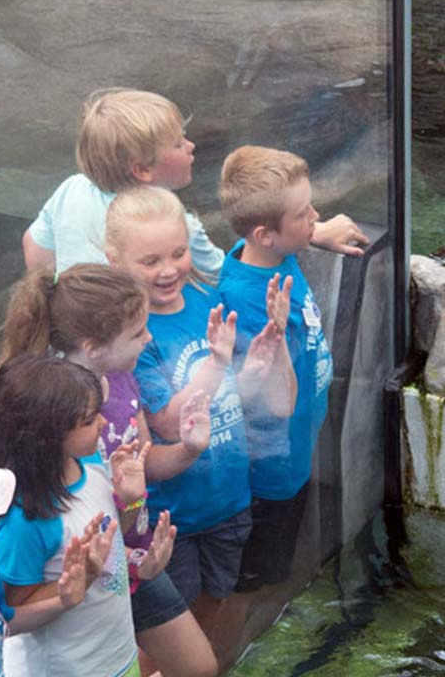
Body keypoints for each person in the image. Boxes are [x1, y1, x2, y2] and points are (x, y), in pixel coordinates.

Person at [0, 264, 216, 677]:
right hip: (77, 615)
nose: (149, 338)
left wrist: (183, 453)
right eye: (137, 333)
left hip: (121, 563)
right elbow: (10, 608)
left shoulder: (96, 439)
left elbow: (130, 485)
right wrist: (70, 593)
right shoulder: (49, 414)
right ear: (93, 346)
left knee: (197, 666)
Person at [104, 185, 294, 660]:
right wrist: (215, 363)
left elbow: (233, 395)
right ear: (114, 260)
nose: (168, 270)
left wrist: (253, 368)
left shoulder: (206, 300)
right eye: (150, 261)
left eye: (178, 253)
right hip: (175, 519)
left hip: (228, 500)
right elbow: (167, 424)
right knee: (167, 633)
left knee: (215, 603)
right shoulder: (135, 336)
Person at [22, 88, 369, 279]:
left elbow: (34, 251)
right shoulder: (175, 225)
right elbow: (230, 280)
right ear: (142, 170)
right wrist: (311, 233)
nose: (191, 147)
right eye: (177, 143)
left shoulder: (70, 188)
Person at [212, 147, 333, 654]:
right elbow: (271, 399)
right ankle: (217, 662)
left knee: (264, 579)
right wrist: (278, 333)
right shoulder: (245, 296)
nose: (315, 218)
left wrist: (316, 233)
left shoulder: (276, 256)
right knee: (244, 587)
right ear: (264, 233)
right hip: (267, 475)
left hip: (293, 459)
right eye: (303, 213)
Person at [0, 356, 138, 676]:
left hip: (117, 651)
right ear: (48, 436)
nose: (104, 423)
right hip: (70, 667)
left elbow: (110, 542)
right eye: (91, 419)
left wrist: (131, 502)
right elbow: (15, 608)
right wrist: (75, 584)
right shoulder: (26, 519)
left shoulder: (90, 461)